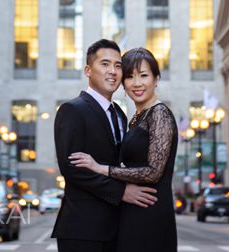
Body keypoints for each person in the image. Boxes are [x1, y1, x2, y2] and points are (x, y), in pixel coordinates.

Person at [52, 39, 158, 252]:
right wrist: (122, 192)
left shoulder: (119, 114)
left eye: (118, 66)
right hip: (83, 229)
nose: (113, 71)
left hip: (117, 226)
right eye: (105, 64)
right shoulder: (72, 110)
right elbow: (72, 168)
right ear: (88, 70)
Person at [69, 47, 178, 252]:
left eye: (144, 76)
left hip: (150, 209)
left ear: (156, 78)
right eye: (129, 77)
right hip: (132, 209)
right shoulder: (137, 118)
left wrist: (102, 168)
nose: (137, 84)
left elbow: (153, 172)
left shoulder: (160, 114)